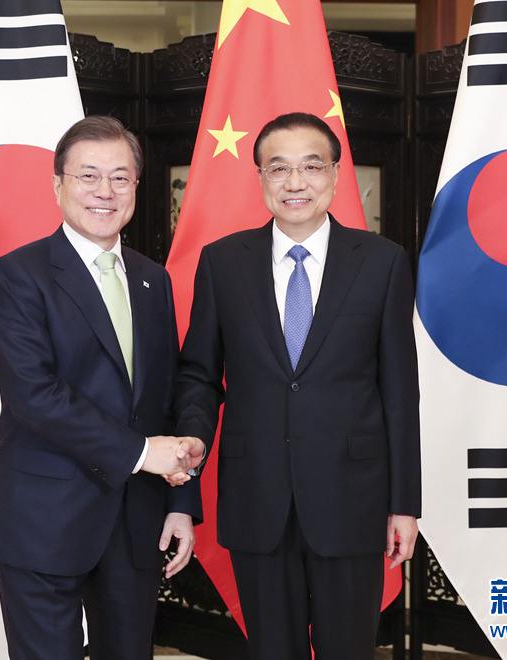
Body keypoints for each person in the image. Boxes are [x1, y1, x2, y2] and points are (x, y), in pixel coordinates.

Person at [173, 112, 421, 660]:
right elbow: (199, 375)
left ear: (334, 173)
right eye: (279, 168)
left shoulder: (382, 262)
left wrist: (404, 504)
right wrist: (189, 445)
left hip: (352, 498)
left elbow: (401, 392)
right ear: (260, 177)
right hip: (256, 496)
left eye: (311, 166)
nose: (295, 182)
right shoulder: (222, 262)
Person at [0, 116, 204, 660]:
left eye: (120, 177)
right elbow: (34, 394)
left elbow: (166, 397)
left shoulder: (153, 279)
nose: (105, 191)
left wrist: (180, 500)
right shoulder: (17, 274)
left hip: (136, 524)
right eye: (88, 176)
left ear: (135, 188)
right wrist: (142, 453)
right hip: (44, 519)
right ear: (58, 185)